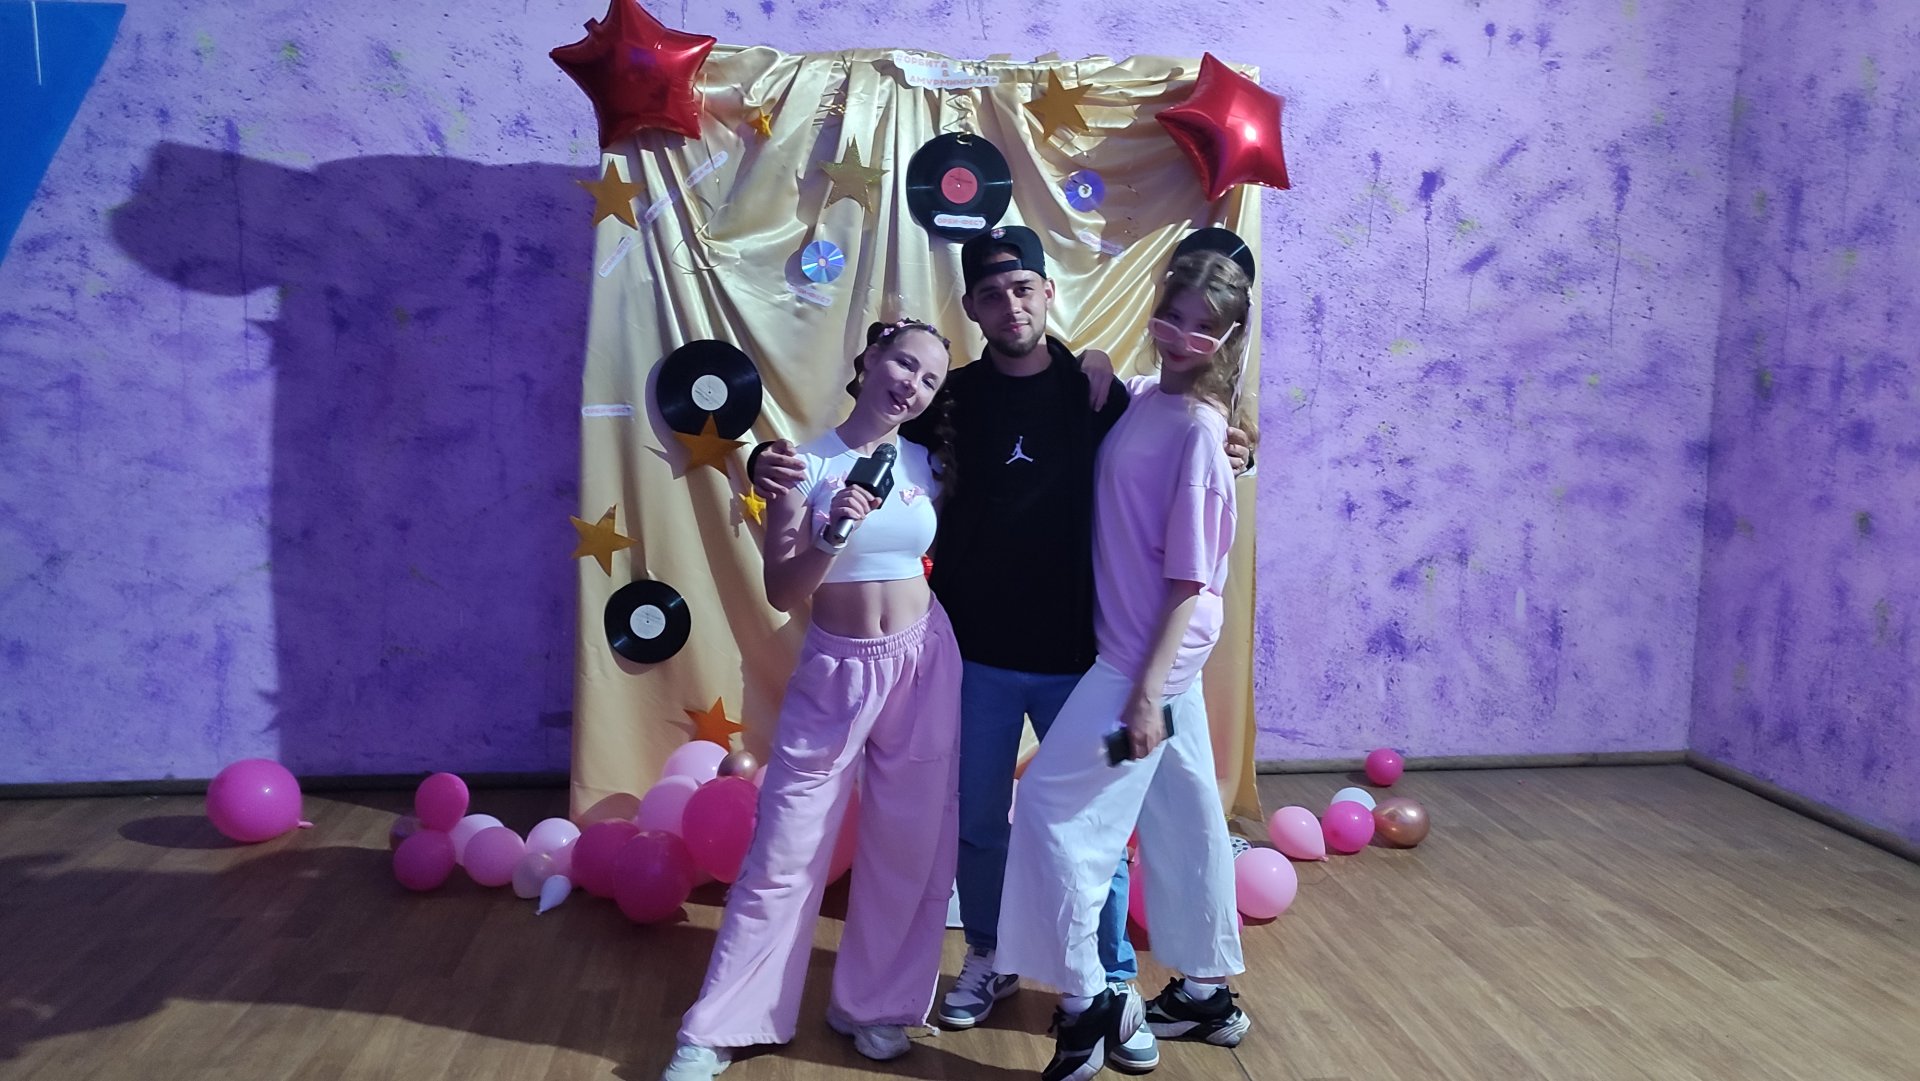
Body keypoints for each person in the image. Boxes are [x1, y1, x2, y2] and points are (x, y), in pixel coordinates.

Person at [749, 227, 1252, 1073]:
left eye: (1023, 288)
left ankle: (1110, 979)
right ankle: (989, 952)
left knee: (1091, 823)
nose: (1010, 305)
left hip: (1088, 660)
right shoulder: (948, 397)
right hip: (974, 653)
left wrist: (1241, 445)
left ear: (1048, 292)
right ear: (973, 308)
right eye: (991, 294)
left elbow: (1196, 444)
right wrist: (768, 461)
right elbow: (865, 437)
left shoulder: (1099, 392)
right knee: (981, 821)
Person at [661, 319, 960, 1081]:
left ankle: (876, 1005)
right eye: (904, 363)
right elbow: (782, 589)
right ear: (871, 358)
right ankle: (722, 1025)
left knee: (909, 843)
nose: (912, 385)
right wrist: (832, 533)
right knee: (784, 848)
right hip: (836, 670)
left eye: (929, 379)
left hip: (925, 662)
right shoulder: (801, 463)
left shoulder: (928, 462)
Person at [993, 247, 1256, 1081]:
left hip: (1148, 663)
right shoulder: (1152, 398)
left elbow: (1189, 581)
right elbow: (1122, 385)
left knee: (1050, 804)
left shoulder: (1203, 436)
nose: (1180, 336)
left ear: (1230, 338)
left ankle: (1088, 1001)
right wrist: (1103, 360)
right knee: (1184, 805)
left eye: (1203, 327)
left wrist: (1145, 695)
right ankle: (1206, 991)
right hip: (1149, 656)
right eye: (1172, 315)